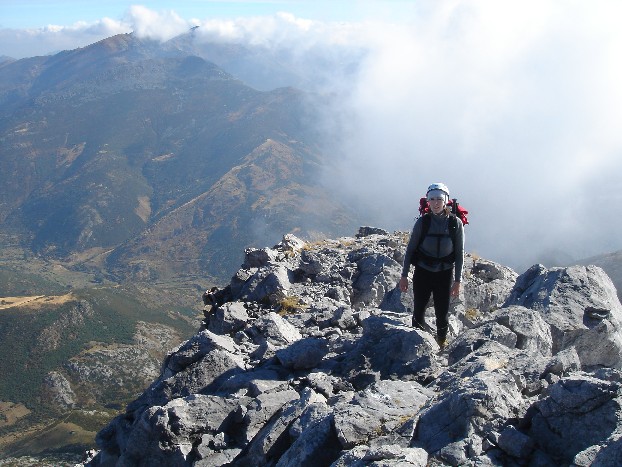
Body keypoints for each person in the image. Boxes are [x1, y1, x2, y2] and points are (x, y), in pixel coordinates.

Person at [398, 182, 465, 349]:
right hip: (423, 272)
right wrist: (404, 276)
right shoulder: (423, 222)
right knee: (418, 310)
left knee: (442, 313)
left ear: (446, 201)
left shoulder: (455, 223)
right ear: (427, 201)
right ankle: (416, 346)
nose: (435, 203)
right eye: (432, 199)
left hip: (444, 274)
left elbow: (459, 253)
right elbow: (410, 250)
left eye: (439, 199)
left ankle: (441, 344)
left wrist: (458, 281)